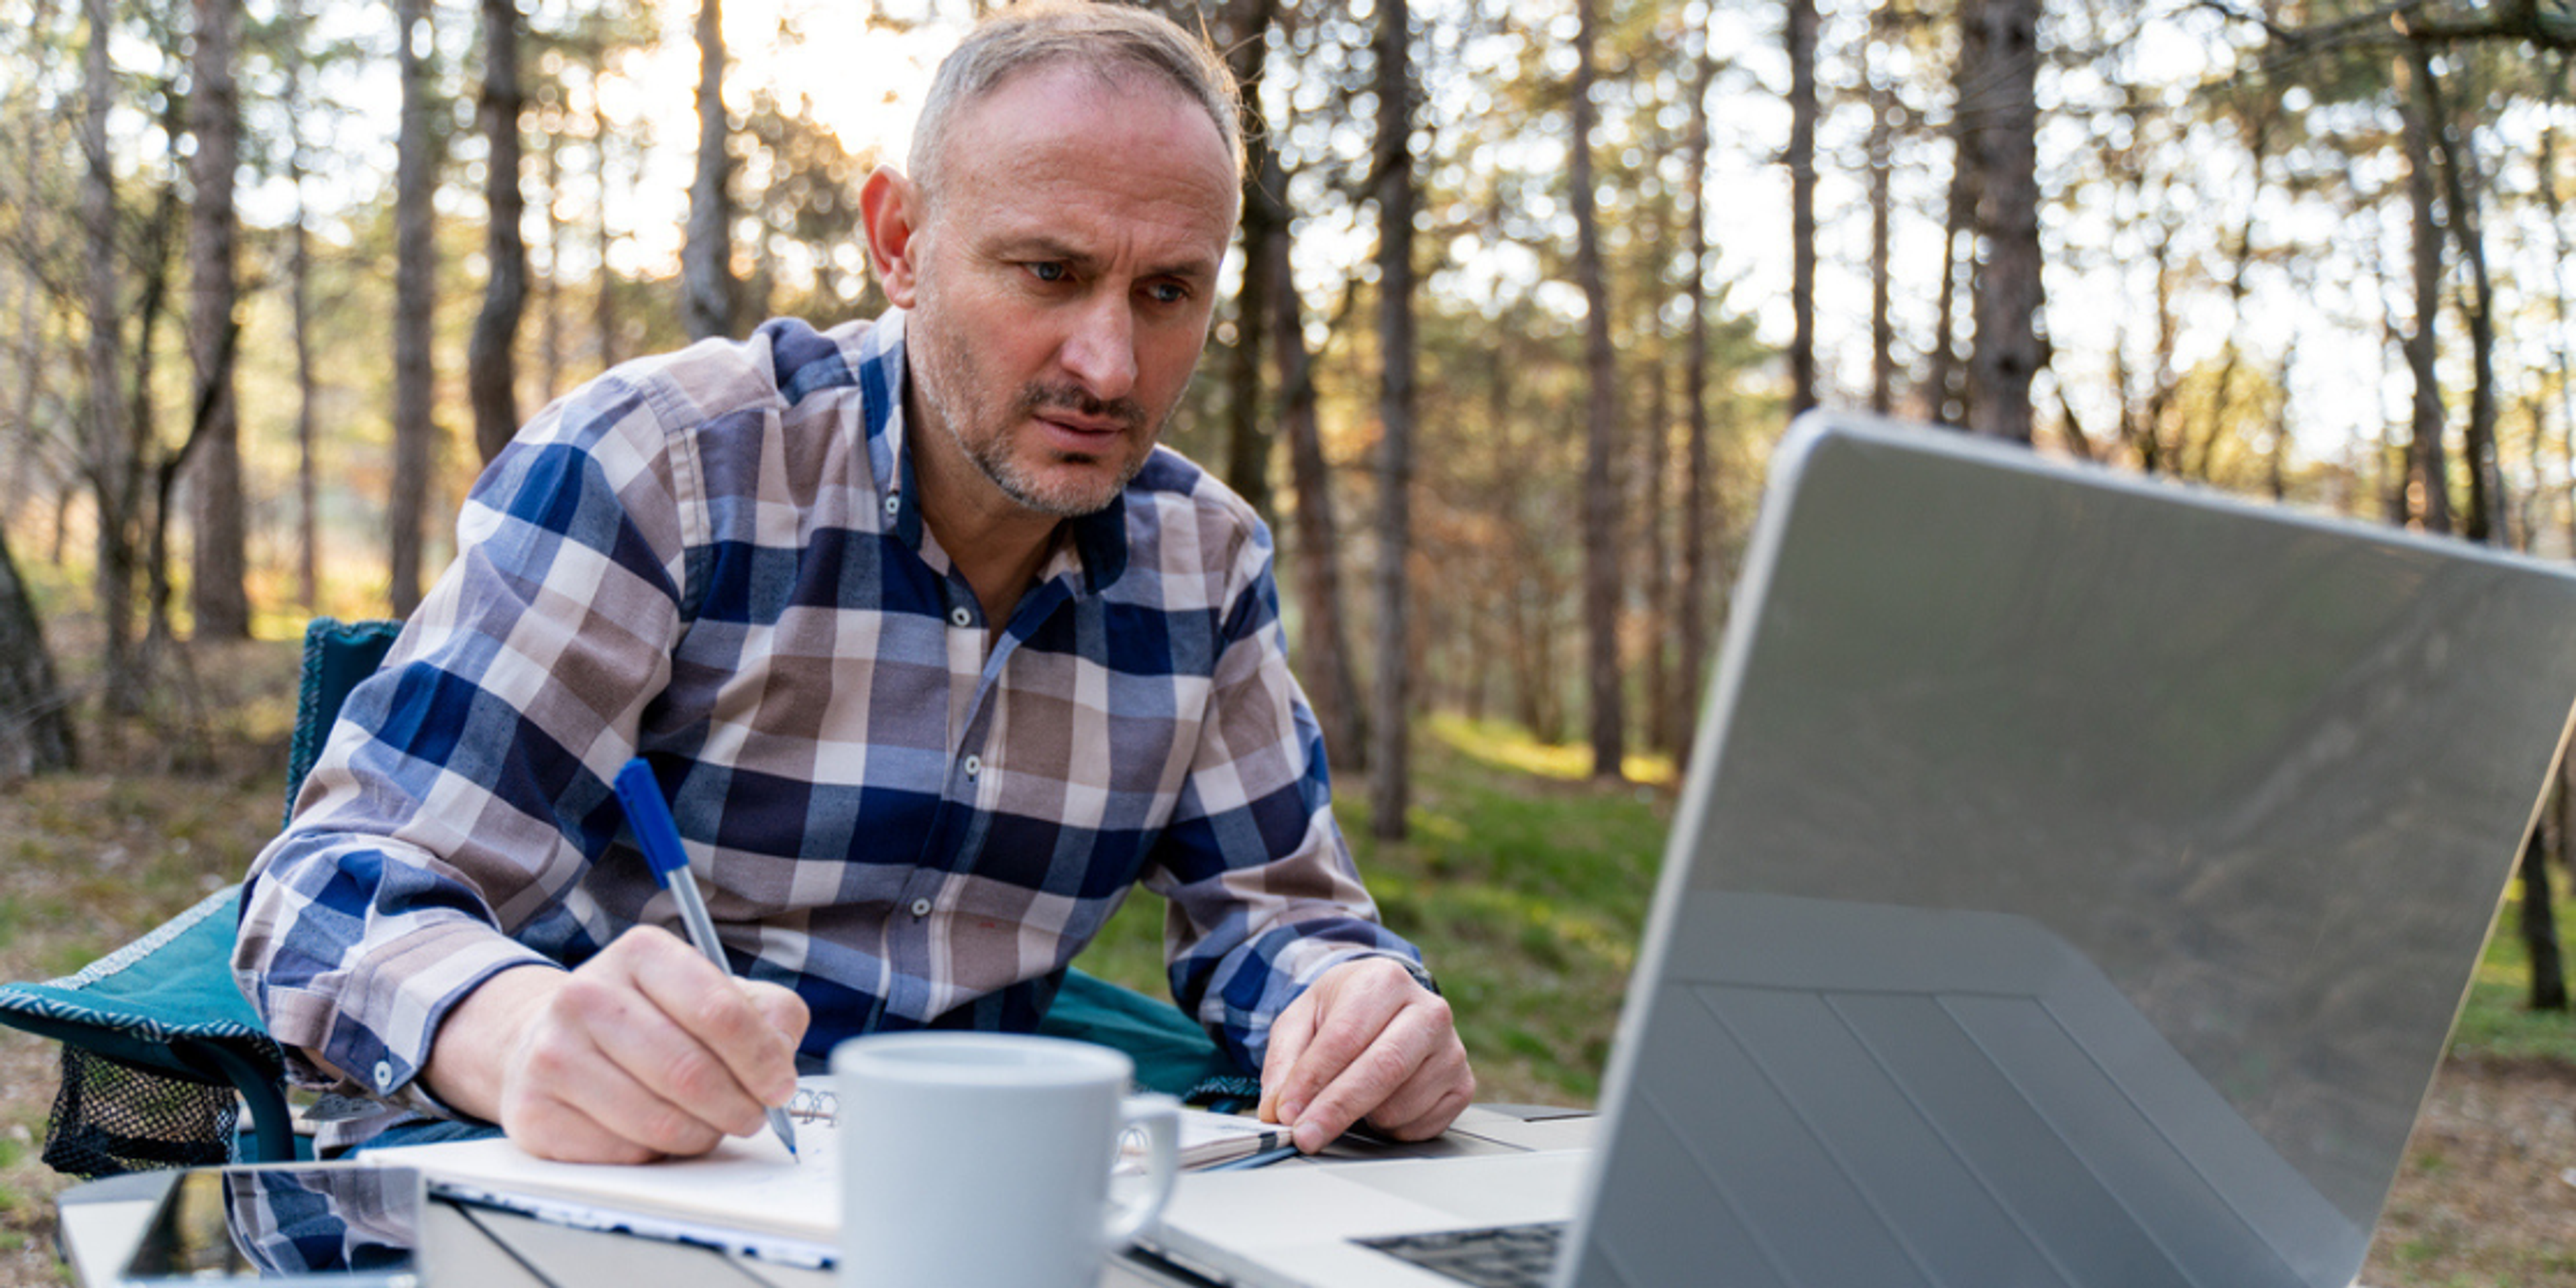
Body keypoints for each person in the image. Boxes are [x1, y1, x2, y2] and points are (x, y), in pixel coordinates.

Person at [233, 0, 1473, 1165]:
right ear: (901, 244)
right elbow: (331, 886)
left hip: (962, 1199)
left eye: (1166, 293)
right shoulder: (665, 466)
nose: (1109, 365)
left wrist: (1354, 1007)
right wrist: (516, 1036)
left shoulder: (1203, 563)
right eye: (1048, 272)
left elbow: (1282, 919)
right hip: (598, 1169)